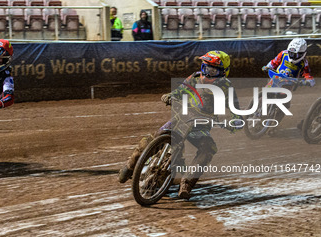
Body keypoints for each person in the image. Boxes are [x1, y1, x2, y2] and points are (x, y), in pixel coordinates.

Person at [118, 50, 243, 199]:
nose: (207, 72)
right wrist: (170, 96)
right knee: (154, 137)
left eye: (212, 69)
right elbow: (180, 91)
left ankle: (187, 183)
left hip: (200, 126)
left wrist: (235, 122)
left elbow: (236, 112)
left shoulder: (227, 88)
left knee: (208, 148)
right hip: (181, 118)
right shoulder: (195, 78)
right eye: (205, 67)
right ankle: (130, 166)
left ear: (223, 72)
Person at [261, 38, 315, 129]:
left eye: (296, 54)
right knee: (264, 94)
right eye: (291, 53)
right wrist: (267, 67)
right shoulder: (283, 53)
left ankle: (272, 127)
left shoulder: (304, 63)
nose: (293, 56)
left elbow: (306, 74)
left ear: (302, 54)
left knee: (284, 106)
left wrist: (309, 80)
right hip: (275, 78)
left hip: (288, 85)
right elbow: (274, 62)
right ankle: (254, 110)